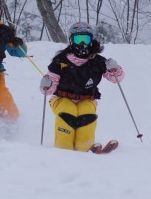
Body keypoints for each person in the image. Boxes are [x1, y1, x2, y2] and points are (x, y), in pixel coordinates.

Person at [39, 22, 124, 152]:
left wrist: (115, 69)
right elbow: (51, 81)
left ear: (92, 40)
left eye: (86, 39)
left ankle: (84, 147)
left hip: (87, 98)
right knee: (68, 112)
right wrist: (47, 85)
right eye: (78, 39)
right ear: (71, 40)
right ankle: (63, 147)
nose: (82, 43)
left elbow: (116, 78)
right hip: (61, 98)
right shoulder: (61, 60)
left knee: (87, 115)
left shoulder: (98, 61)